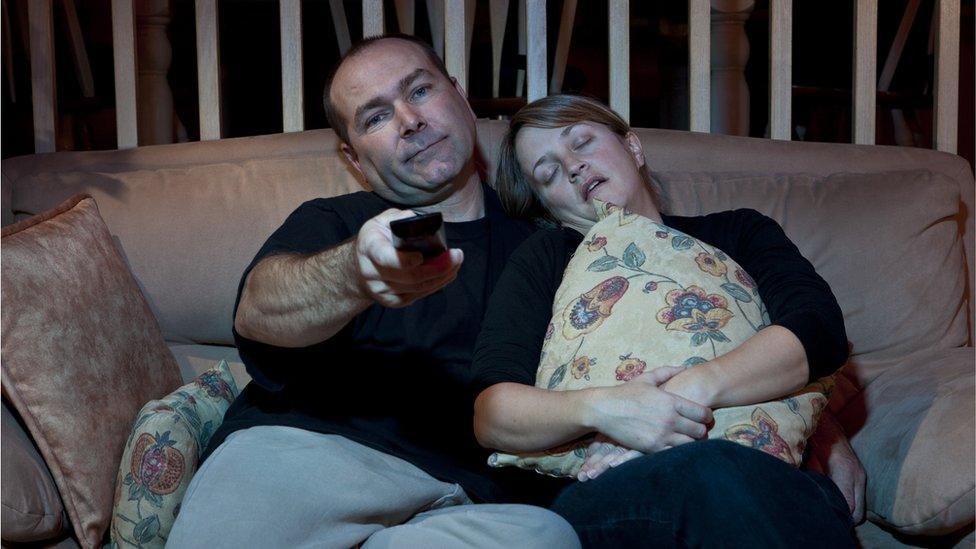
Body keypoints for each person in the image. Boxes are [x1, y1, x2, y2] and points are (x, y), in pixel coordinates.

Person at [167, 35, 579, 548]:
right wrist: (355, 274)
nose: (410, 121)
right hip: (306, 462)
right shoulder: (334, 220)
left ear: (460, 95)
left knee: (546, 536)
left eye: (421, 91)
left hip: (461, 504)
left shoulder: (548, 248)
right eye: (376, 118)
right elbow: (259, 311)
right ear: (356, 159)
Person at [471, 94, 861, 547]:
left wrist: (678, 397)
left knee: (765, 484)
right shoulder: (546, 258)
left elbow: (818, 331)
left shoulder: (740, 231)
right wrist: (610, 410)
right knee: (712, 472)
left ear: (633, 148)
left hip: (762, 473)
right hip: (606, 493)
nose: (573, 166)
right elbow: (492, 413)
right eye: (549, 172)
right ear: (548, 206)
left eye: (581, 142)